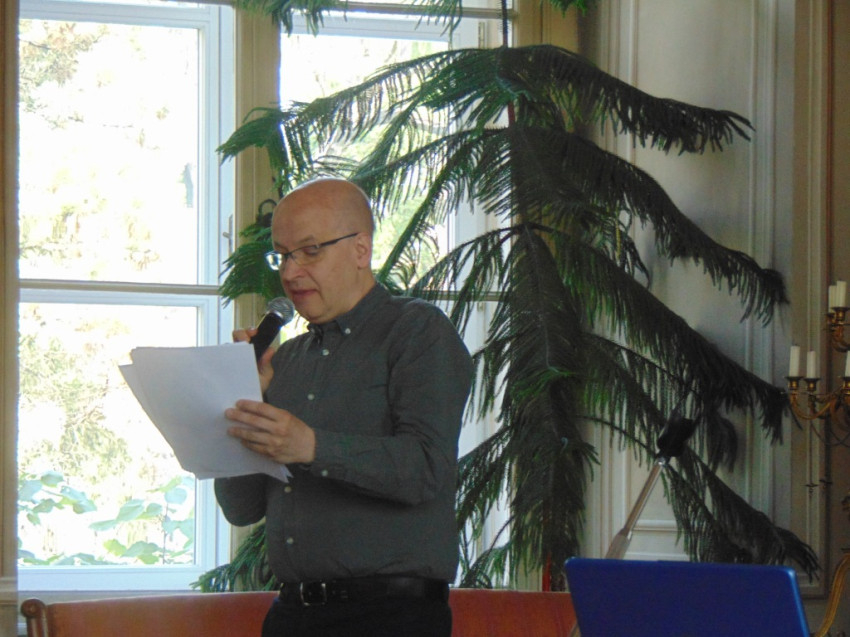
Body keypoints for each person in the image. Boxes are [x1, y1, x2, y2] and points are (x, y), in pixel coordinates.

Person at [215, 178, 473, 637]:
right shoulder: (284, 362)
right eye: (282, 255)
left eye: (310, 251)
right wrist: (241, 400)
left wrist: (311, 446)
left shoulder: (417, 331)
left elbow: (426, 469)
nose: (290, 272)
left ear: (360, 250)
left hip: (391, 617)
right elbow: (242, 509)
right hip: (291, 614)